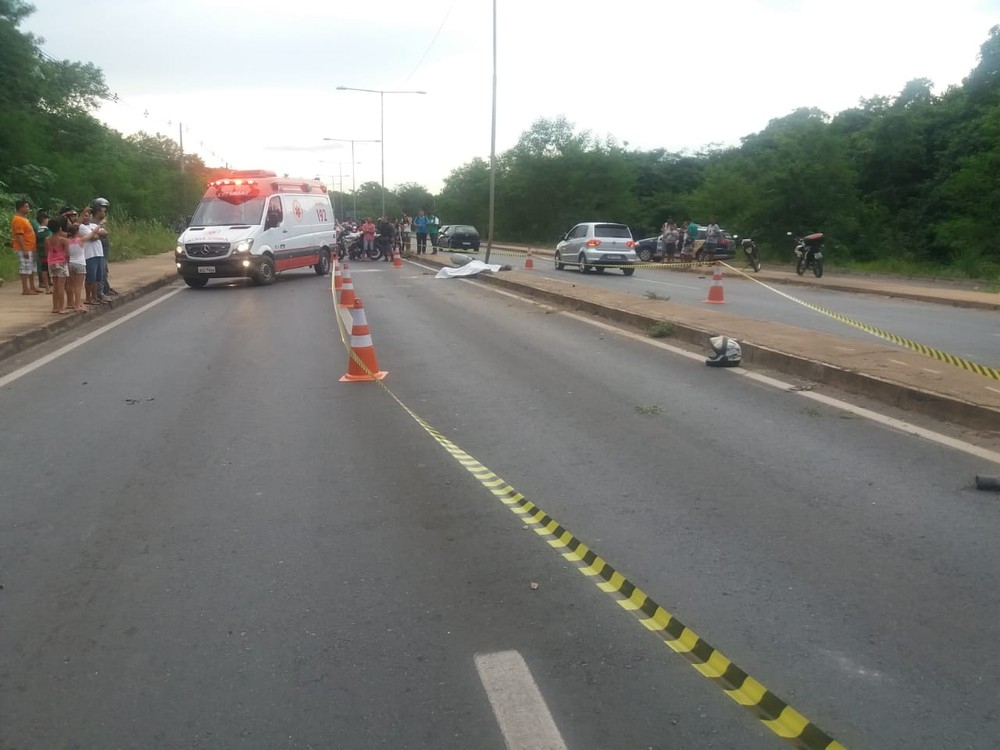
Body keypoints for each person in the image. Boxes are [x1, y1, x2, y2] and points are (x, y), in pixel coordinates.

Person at [79, 206, 110, 306]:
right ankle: (88, 297)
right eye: (84, 216)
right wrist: (96, 233)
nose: (86, 218)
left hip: (99, 254)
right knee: (90, 278)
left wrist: (94, 233)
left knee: (98, 277)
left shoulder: (92, 225)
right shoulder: (81, 227)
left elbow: (105, 233)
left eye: (88, 216)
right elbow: (93, 237)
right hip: (89, 255)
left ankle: (95, 297)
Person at [11, 199, 42, 295]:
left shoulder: (24, 219)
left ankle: (32, 286)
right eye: (26, 206)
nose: (28, 209)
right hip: (24, 248)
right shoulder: (18, 219)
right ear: (21, 208)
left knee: (31, 267)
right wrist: (24, 249)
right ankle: (25, 288)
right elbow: (19, 235)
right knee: (24, 268)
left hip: (31, 247)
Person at [45, 216, 72, 313]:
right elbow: (68, 254)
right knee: (61, 286)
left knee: (55, 286)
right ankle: (61, 307)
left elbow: (47, 251)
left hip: (51, 262)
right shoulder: (63, 240)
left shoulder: (47, 239)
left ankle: (55, 307)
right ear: (60, 228)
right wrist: (67, 262)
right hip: (61, 262)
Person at [91, 198, 117, 295]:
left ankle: (106, 288)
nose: (104, 212)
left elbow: (104, 233)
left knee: (104, 270)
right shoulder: (93, 222)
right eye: (103, 209)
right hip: (98, 250)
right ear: (98, 210)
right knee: (100, 271)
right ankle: (100, 292)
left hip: (104, 250)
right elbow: (101, 233)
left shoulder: (100, 221)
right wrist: (101, 232)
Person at [65, 216, 88, 312]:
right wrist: (99, 225)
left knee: (70, 285)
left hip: (70, 264)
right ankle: (77, 305)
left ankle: (71, 302)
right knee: (78, 287)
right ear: (77, 232)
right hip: (80, 264)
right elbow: (92, 234)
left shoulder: (66, 241)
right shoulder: (81, 240)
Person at [33, 209, 53, 293]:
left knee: (44, 269)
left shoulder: (38, 230)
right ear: (44, 220)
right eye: (47, 219)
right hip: (48, 252)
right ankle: (48, 287)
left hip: (41, 252)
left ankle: (47, 286)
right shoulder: (46, 231)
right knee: (47, 269)